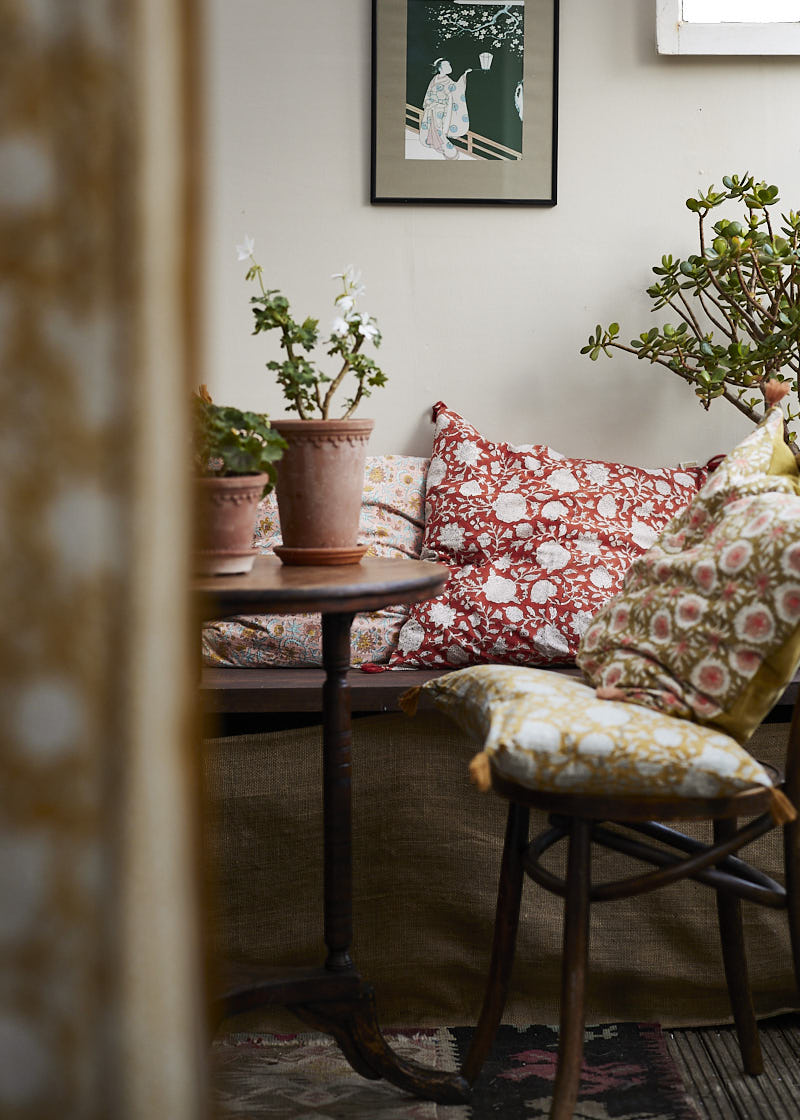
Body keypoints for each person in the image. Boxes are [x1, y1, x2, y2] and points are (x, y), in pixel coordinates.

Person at [419, 58, 472, 159]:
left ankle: (449, 151)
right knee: (433, 129)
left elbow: (457, 89)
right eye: (446, 65)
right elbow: (429, 92)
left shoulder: (447, 80)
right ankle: (441, 148)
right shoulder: (435, 79)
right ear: (440, 68)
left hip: (442, 110)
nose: (449, 67)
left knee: (440, 131)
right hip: (431, 109)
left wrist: (464, 75)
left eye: (449, 65)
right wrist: (428, 102)